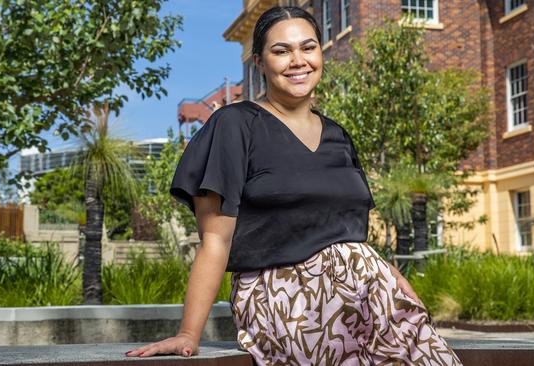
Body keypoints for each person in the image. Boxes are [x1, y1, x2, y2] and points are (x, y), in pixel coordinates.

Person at [125, 6, 462, 365]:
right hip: (284, 296)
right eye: (281, 51)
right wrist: (189, 333)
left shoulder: (338, 136)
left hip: (368, 292)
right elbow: (216, 240)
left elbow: (352, 239)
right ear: (260, 62)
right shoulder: (235, 125)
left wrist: (398, 287)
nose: (297, 60)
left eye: (308, 47)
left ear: (321, 53)